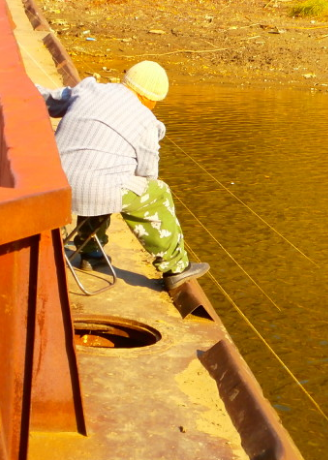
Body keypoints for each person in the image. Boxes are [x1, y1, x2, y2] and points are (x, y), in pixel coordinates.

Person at [37, 60, 209, 291]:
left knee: (104, 181)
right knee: (156, 193)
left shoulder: (89, 89)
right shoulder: (147, 121)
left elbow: (47, 100)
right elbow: (148, 174)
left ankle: (90, 252)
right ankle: (176, 267)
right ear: (151, 98)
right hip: (91, 191)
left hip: (51, 185)